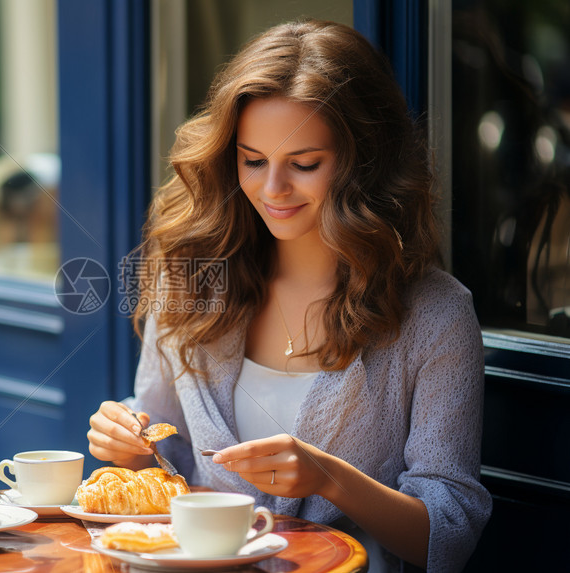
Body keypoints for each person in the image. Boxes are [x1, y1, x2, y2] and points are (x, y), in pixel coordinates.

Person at [87, 19, 491, 573]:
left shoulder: (435, 315)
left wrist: (331, 479)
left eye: (303, 164)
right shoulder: (191, 277)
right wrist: (126, 439)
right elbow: (162, 445)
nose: (272, 189)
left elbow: (450, 532)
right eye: (253, 160)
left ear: (364, 163)